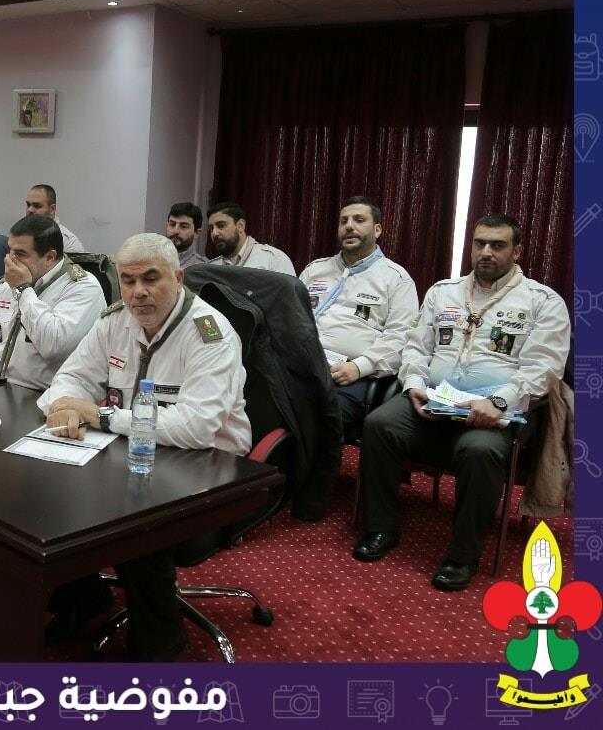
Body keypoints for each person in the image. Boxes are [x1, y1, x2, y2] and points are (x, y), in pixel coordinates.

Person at [37, 233, 250, 659]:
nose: (138, 292)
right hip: (133, 452)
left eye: (151, 279)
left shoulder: (210, 334)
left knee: (136, 528)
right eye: (128, 280)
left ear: (178, 278)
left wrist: (101, 416)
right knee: (51, 493)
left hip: (207, 470)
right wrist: (63, 406)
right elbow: (73, 376)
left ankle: (160, 645)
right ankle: (84, 600)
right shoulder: (117, 321)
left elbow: (196, 428)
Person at [353, 215, 570, 591]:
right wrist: (415, 384)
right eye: (479, 243)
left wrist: (498, 401)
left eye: (497, 245)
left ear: (517, 252)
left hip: (495, 411)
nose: (486, 252)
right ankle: (381, 528)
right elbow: (416, 347)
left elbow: (544, 369)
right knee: (379, 424)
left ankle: (462, 555)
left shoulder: (542, 302)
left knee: (479, 451)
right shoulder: (443, 292)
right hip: (433, 400)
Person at [298, 198, 418, 436]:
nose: (349, 226)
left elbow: (400, 338)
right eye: (344, 221)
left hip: (349, 377)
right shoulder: (315, 270)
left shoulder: (396, 279)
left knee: (313, 418)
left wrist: (358, 367)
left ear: (377, 229)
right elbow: (290, 317)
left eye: (359, 220)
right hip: (301, 366)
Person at [0, 215, 105, 390]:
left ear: (50, 257)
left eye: (20, 254)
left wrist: (23, 289)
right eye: (9, 251)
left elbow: (53, 346)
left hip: (41, 395)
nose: (9, 260)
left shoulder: (82, 287)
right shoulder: (8, 285)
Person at [205, 201, 295, 275]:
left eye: (221, 226)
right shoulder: (211, 268)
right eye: (211, 229)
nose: (214, 233)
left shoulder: (273, 260)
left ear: (240, 226)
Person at [25, 183, 85, 253]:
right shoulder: (20, 235)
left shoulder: (69, 244)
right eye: (28, 205)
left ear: (52, 209)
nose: (30, 210)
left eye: (37, 206)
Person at [165, 201, 207, 269]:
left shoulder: (202, 267)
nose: (176, 231)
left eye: (183, 226)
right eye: (172, 224)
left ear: (196, 233)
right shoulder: (151, 259)